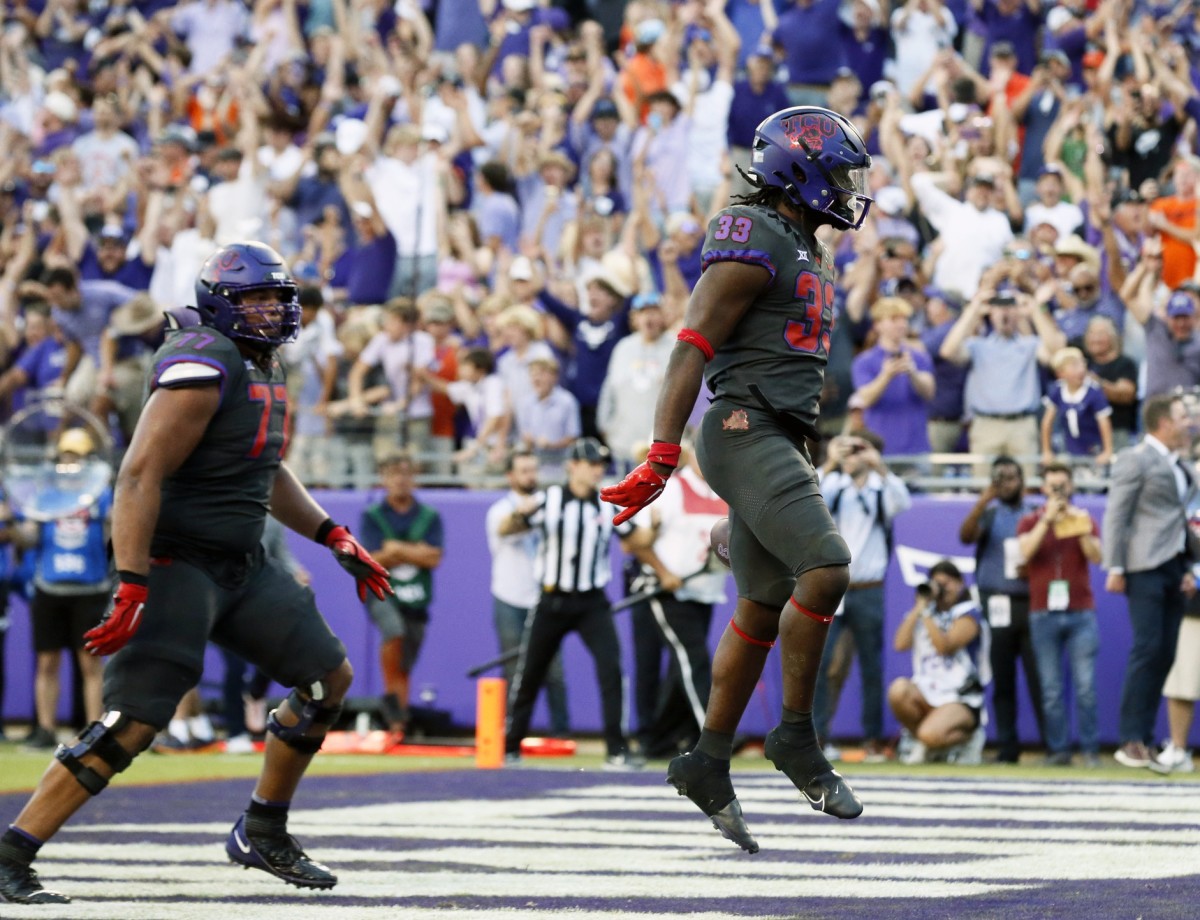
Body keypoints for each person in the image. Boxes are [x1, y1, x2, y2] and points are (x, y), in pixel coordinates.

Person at [0, 241, 392, 905]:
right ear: (220, 302)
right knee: (133, 721)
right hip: (176, 560)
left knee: (328, 678)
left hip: (241, 563)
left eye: (275, 297)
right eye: (254, 298)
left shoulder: (259, 362)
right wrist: (130, 581)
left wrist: (333, 534)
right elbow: (139, 472)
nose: (269, 309)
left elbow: (262, 465)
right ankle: (13, 852)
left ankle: (262, 827)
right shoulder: (203, 357)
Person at [602, 106, 875, 852]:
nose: (847, 189)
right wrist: (663, 452)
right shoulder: (751, 230)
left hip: (778, 435)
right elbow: (693, 341)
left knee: (762, 603)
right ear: (800, 168)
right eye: (838, 173)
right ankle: (794, 738)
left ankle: (708, 758)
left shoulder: (800, 242)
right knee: (825, 568)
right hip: (741, 426)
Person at [501, 437, 642, 769]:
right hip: (552, 600)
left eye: (600, 465)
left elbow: (636, 537)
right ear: (572, 466)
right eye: (591, 464)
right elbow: (508, 528)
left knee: (612, 671)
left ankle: (616, 750)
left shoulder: (607, 504)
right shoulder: (547, 500)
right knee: (529, 674)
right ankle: (510, 747)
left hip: (592, 602)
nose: (597, 471)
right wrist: (517, 516)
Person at [1103, 394, 1198, 769]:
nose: (1188, 422)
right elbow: (1117, 514)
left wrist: (1191, 566)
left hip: (1174, 565)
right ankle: (1130, 738)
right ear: (1162, 422)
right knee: (1147, 648)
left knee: (1165, 653)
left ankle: (1141, 738)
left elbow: (1183, 520)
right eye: (1181, 416)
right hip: (1143, 564)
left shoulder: (1180, 466)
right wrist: (1115, 566)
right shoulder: (1135, 458)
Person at [622, 443, 729, 759]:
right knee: (693, 659)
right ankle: (714, 736)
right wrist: (664, 572)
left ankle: (660, 739)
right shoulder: (670, 490)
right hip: (670, 592)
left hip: (704, 590)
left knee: (679, 669)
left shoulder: (726, 492)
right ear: (691, 454)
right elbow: (635, 543)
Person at [814, 433, 911, 760]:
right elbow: (805, 494)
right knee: (822, 665)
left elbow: (904, 501)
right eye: (847, 451)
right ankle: (817, 739)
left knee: (872, 667)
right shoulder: (833, 485)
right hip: (833, 589)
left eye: (857, 450)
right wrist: (829, 461)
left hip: (869, 589)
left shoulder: (882, 489)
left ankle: (872, 741)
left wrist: (879, 466)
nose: (851, 457)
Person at [15, 428, 112, 751]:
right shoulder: (46, 493)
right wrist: (16, 524)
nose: (70, 464)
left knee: (90, 664)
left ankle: (94, 728)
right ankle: (45, 728)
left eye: (77, 457)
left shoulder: (100, 493)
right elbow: (29, 538)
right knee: (47, 662)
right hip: (51, 585)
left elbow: (111, 536)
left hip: (90, 586)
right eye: (66, 457)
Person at [958, 455, 1043, 764]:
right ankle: (1008, 747)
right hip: (997, 604)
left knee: (1040, 678)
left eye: (1011, 477)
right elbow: (965, 536)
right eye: (999, 478)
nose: (1006, 483)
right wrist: (983, 501)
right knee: (1003, 680)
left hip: (1032, 603)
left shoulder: (1035, 513)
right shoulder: (990, 515)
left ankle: (1053, 745)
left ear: (1022, 480)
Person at [1016, 463, 1102, 766]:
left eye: (1063, 487)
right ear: (1043, 490)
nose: (1058, 493)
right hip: (1043, 612)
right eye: (1052, 487)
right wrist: (1047, 521)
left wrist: (1077, 528)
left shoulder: (1084, 519)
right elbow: (1024, 553)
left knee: (1085, 687)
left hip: (1080, 611)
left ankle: (1091, 751)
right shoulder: (1029, 521)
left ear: (1072, 487)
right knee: (1051, 689)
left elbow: (1097, 556)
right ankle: (1059, 751)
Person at [358, 452, 444, 739]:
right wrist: (414, 550)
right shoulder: (372, 516)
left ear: (414, 477)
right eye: (394, 473)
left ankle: (399, 721)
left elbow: (434, 558)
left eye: (405, 473)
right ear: (383, 478)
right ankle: (394, 712)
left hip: (417, 598)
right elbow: (369, 559)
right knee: (393, 631)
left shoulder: (430, 516)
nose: (400, 480)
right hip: (382, 594)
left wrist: (395, 549)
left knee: (406, 661)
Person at [484, 449, 569, 739]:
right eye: (523, 471)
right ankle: (511, 737)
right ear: (510, 476)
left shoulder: (549, 505)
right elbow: (506, 528)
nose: (530, 476)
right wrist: (527, 511)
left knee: (554, 672)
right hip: (509, 598)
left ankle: (562, 735)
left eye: (533, 470)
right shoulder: (499, 509)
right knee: (514, 672)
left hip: (542, 598)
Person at [888, 560, 989, 765]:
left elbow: (944, 646)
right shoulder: (924, 613)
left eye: (948, 583)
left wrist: (926, 614)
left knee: (929, 734)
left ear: (960, 583)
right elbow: (899, 644)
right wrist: (920, 607)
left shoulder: (969, 613)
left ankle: (967, 738)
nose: (942, 589)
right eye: (937, 584)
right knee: (898, 690)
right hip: (927, 690)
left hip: (960, 696)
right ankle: (928, 744)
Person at [1039, 346, 1113, 468]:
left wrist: (1107, 451)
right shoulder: (1058, 390)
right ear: (1060, 373)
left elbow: (1104, 422)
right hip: (1069, 447)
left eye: (1082, 364)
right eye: (1074, 366)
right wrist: (1047, 450)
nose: (1081, 370)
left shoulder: (1093, 391)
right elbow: (1047, 421)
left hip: (1092, 448)